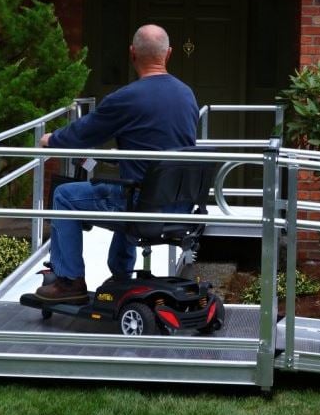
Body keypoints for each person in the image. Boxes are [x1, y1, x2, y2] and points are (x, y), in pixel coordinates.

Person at [35, 24, 199, 302]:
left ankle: (69, 281)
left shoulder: (126, 98)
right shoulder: (187, 95)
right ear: (169, 54)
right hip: (179, 203)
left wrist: (51, 139)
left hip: (141, 204)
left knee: (65, 196)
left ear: (132, 53)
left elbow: (82, 133)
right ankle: (121, 275)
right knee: (131, 184)